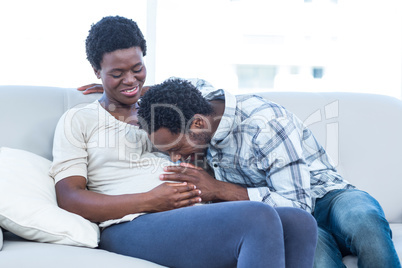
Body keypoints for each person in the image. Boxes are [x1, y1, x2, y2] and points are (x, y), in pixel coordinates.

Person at [49, 15, 318, 268]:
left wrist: (133, 89)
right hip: (131, 222)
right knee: (258, 216)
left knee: (300, 221)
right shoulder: (79, 120)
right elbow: (69, 197)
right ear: (97, 71)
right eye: (116, 73)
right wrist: (149, 201)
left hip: (196, 215)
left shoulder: (166, 109)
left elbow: (197, 95)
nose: (130, 80)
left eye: (137, 69)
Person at [137, 77, 401, 268]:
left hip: (326, 194)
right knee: (316, 257)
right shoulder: (190, 101)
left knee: (363, 220)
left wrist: (218, 189)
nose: (176, 158)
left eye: (177, 147)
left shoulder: (265, 125)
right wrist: (114, 92)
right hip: (284, 217)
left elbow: (299, 203)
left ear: (197, 123)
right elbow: (162, 90)